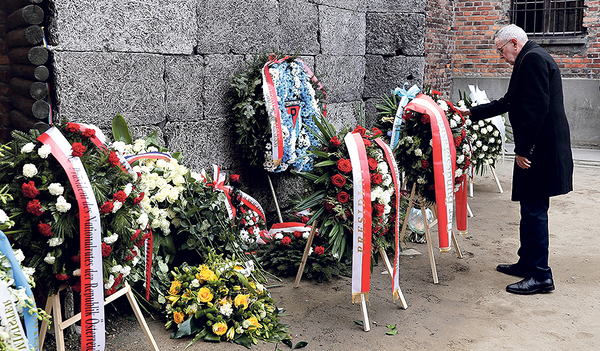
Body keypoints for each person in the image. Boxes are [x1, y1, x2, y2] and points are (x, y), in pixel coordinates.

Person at [456, 24, 573, 295]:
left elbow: (536, 110)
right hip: (538, 148)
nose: (501, 56)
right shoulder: (529, 57)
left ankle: (541, 275)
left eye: (501, 50)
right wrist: (469, 113)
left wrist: (523, 149)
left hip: (539, 151)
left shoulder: (532, 59)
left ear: (513, 43)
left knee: (534, 210)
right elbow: (510, 101)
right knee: (528, 208)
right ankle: (527, 262)